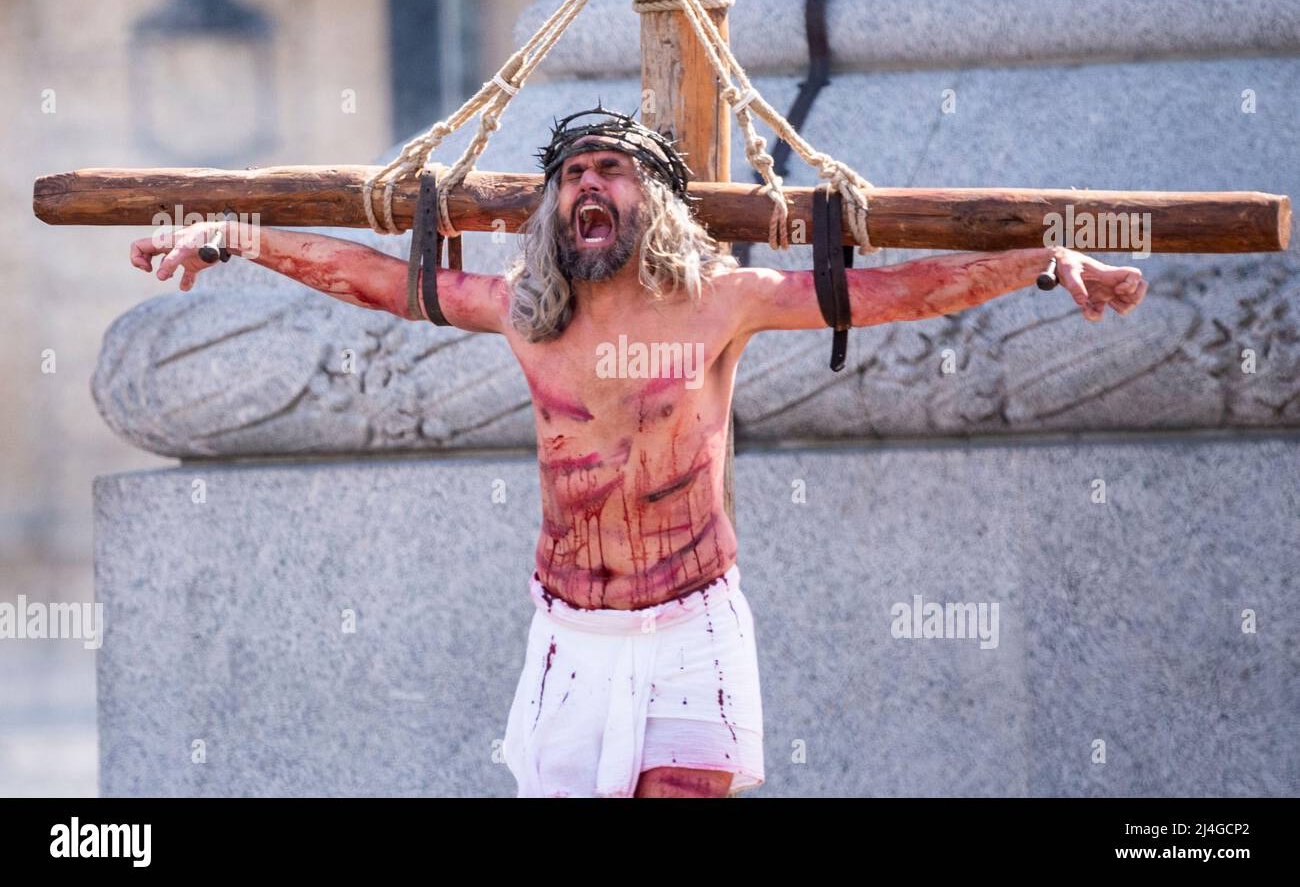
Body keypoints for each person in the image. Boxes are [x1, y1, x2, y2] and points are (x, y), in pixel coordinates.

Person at [129, 107, 1149, 797]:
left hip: (688, 632)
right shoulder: (525, 313)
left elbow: (896, 293)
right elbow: (368, 279)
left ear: (651, 200)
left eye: (610, 170)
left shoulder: (722, 301)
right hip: (570, 637)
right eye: (571, 174)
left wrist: (1043, 265)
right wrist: (235, 237)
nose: (587, 184)